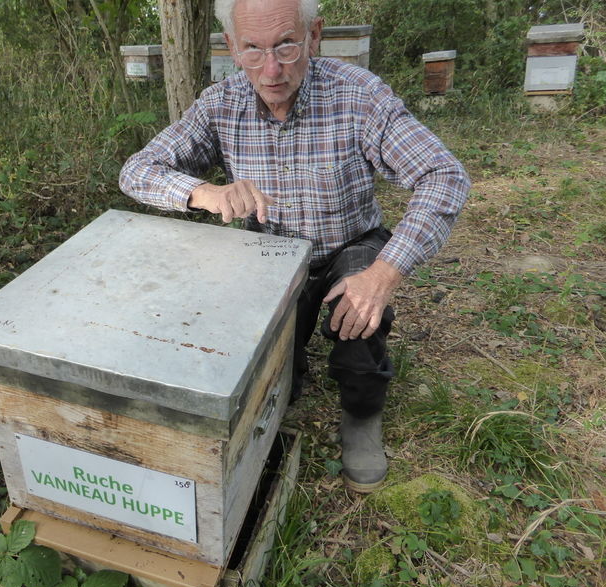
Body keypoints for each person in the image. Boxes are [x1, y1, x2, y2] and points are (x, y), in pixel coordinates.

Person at [119, 0, 470, 493]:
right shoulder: (219, 105)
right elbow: (137, 170)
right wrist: (206, 192)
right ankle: (279, 391)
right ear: (232, 48)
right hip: (271, 252)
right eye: (253, 49)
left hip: (351, 243)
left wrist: (384, 273)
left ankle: (361, 414)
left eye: (286, 45)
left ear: (314, 35)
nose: (271, 70)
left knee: (359, 318)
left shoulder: (359, 96)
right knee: (268, 353)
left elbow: (444, 175)